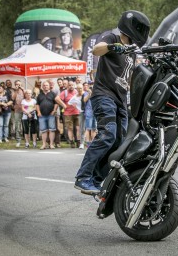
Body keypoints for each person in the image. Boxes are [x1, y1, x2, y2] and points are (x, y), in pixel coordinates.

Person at [74, 10, 150, 194]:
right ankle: (83, 177)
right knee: (107, 134)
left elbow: (129, 78)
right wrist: (113, 47)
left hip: (121, 101)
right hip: (104, 95)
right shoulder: (112, 37)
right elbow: (96, 49)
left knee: (118, 143)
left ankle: (97, 179)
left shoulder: (131, 52)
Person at [36, 81, 66, 150]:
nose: (45, 86)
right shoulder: (39, 95)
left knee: (52, 130)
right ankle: (44, 144)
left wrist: (54, 110)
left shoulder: (53, 94)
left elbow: (56, 103)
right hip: (42, 115)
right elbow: (37, 104)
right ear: (42, 87)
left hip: (51, 115)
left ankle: (51, 144)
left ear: (49, 86)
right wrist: (38, 112)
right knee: (43, 130)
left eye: (47, 85)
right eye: (44, 85)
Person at [60, 80, 80, 148]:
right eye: (70, 85)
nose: (71, 86)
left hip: (77, 112)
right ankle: (71, 142)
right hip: (68, 113)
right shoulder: (64, 92)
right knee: (70, 129)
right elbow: (57, 99)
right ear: (67, 86)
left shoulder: (77, 91)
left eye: (72, 85)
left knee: (78, 128)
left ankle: (78, 141)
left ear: (74, 85)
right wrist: (64, 105)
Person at [12, 80, 24, 147]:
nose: (18, 85)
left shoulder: (24, 90)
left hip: (24, 110)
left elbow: (28, 97)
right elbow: (12, 98)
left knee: (26, 125)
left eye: (19, 84)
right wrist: (16, 91)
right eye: (17, 84)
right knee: (17, 125)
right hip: (17, 110)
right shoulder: (14, 91)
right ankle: (18, 140)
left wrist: (23, 89)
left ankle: (26, 139)